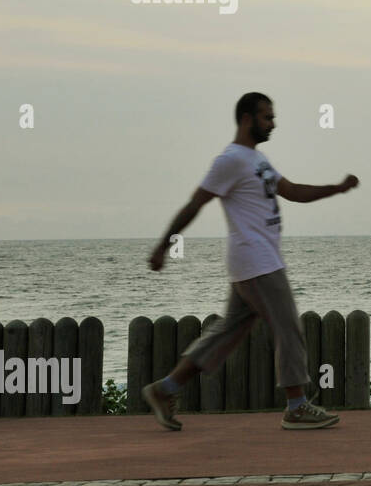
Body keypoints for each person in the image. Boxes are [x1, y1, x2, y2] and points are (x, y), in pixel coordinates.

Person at [143, 92, 359, 430]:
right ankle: (296, 406)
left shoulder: (257, 160)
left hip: (256, 261)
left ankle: (165, 388)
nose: (273, 123)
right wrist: (163, 247)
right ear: (247, 118)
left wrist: (337, 188)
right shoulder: (229, 160)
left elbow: (294, 191)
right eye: (267, 117)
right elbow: (194, 204)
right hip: (256, 260)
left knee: (227, 331)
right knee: (287, 325)